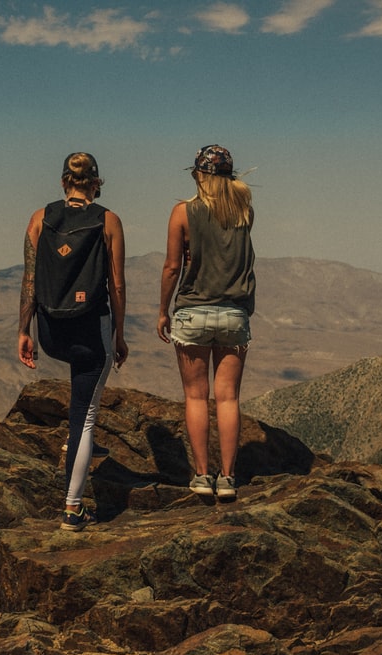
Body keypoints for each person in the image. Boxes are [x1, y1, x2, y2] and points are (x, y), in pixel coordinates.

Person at [18, 152, 128, 531]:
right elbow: (116, 285)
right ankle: (73, 508)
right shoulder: (108, 221)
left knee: (80, 404)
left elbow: (30, 280)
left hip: (51, 333)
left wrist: (24, 330)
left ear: (64, 182)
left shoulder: (40, 218)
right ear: (96, 184)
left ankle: (81, 445)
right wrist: (119, 333)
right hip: (89, 331)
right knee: (84, 414)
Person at [157, 144, 255, 500]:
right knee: (228, 399)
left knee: (196, 397)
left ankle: (201, 476)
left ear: (199, 174)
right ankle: (228, 478)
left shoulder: (182, 213)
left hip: (192, 312)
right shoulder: (244, 212)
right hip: (234, 314)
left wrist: (163, 310)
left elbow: (172, 267)